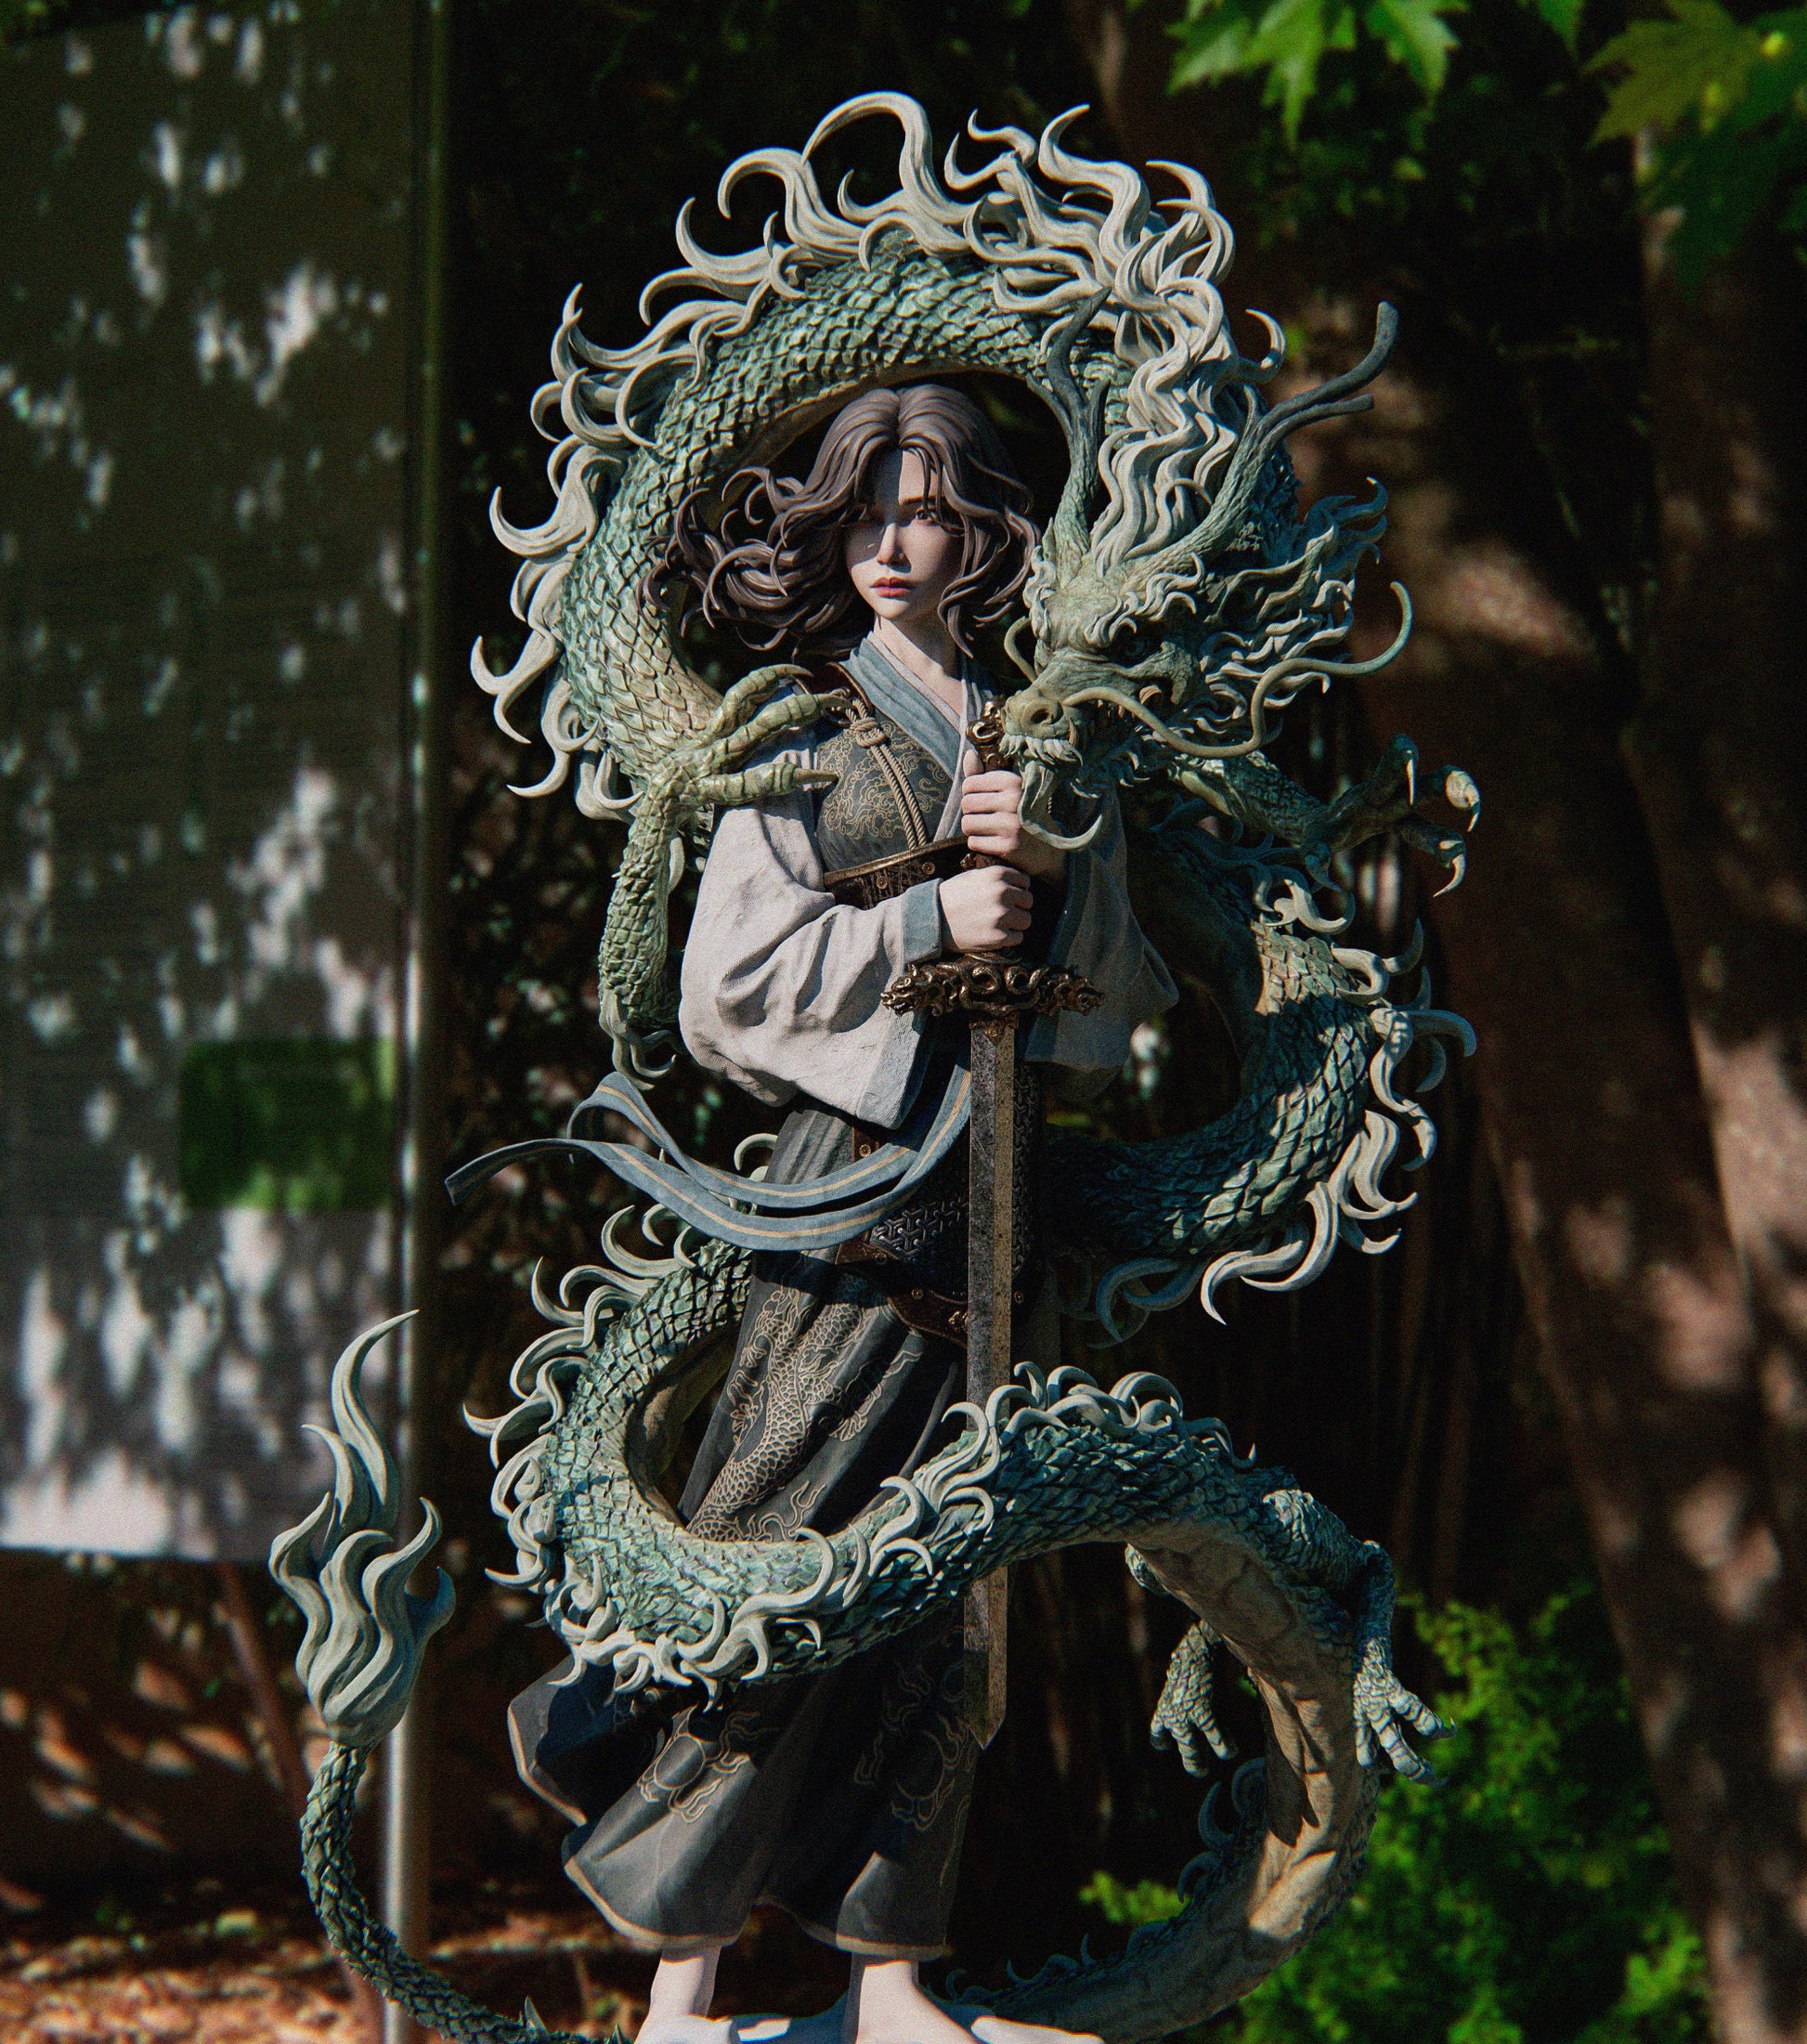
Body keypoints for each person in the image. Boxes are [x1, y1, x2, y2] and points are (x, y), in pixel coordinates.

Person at [506, 384, 1175, 2044]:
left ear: (981, 533)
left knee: (951, 1580)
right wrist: (927, 920)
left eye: (926, 511)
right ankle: (679, 1978)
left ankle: (891, 1978)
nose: (892, 544)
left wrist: (1052, 871)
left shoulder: (1035, 731)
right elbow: (723, 987)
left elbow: (1115, 997)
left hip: (997, 1196)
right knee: (773, 1534)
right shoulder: (796, 729)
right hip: (847, 1198)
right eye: (867, 511)